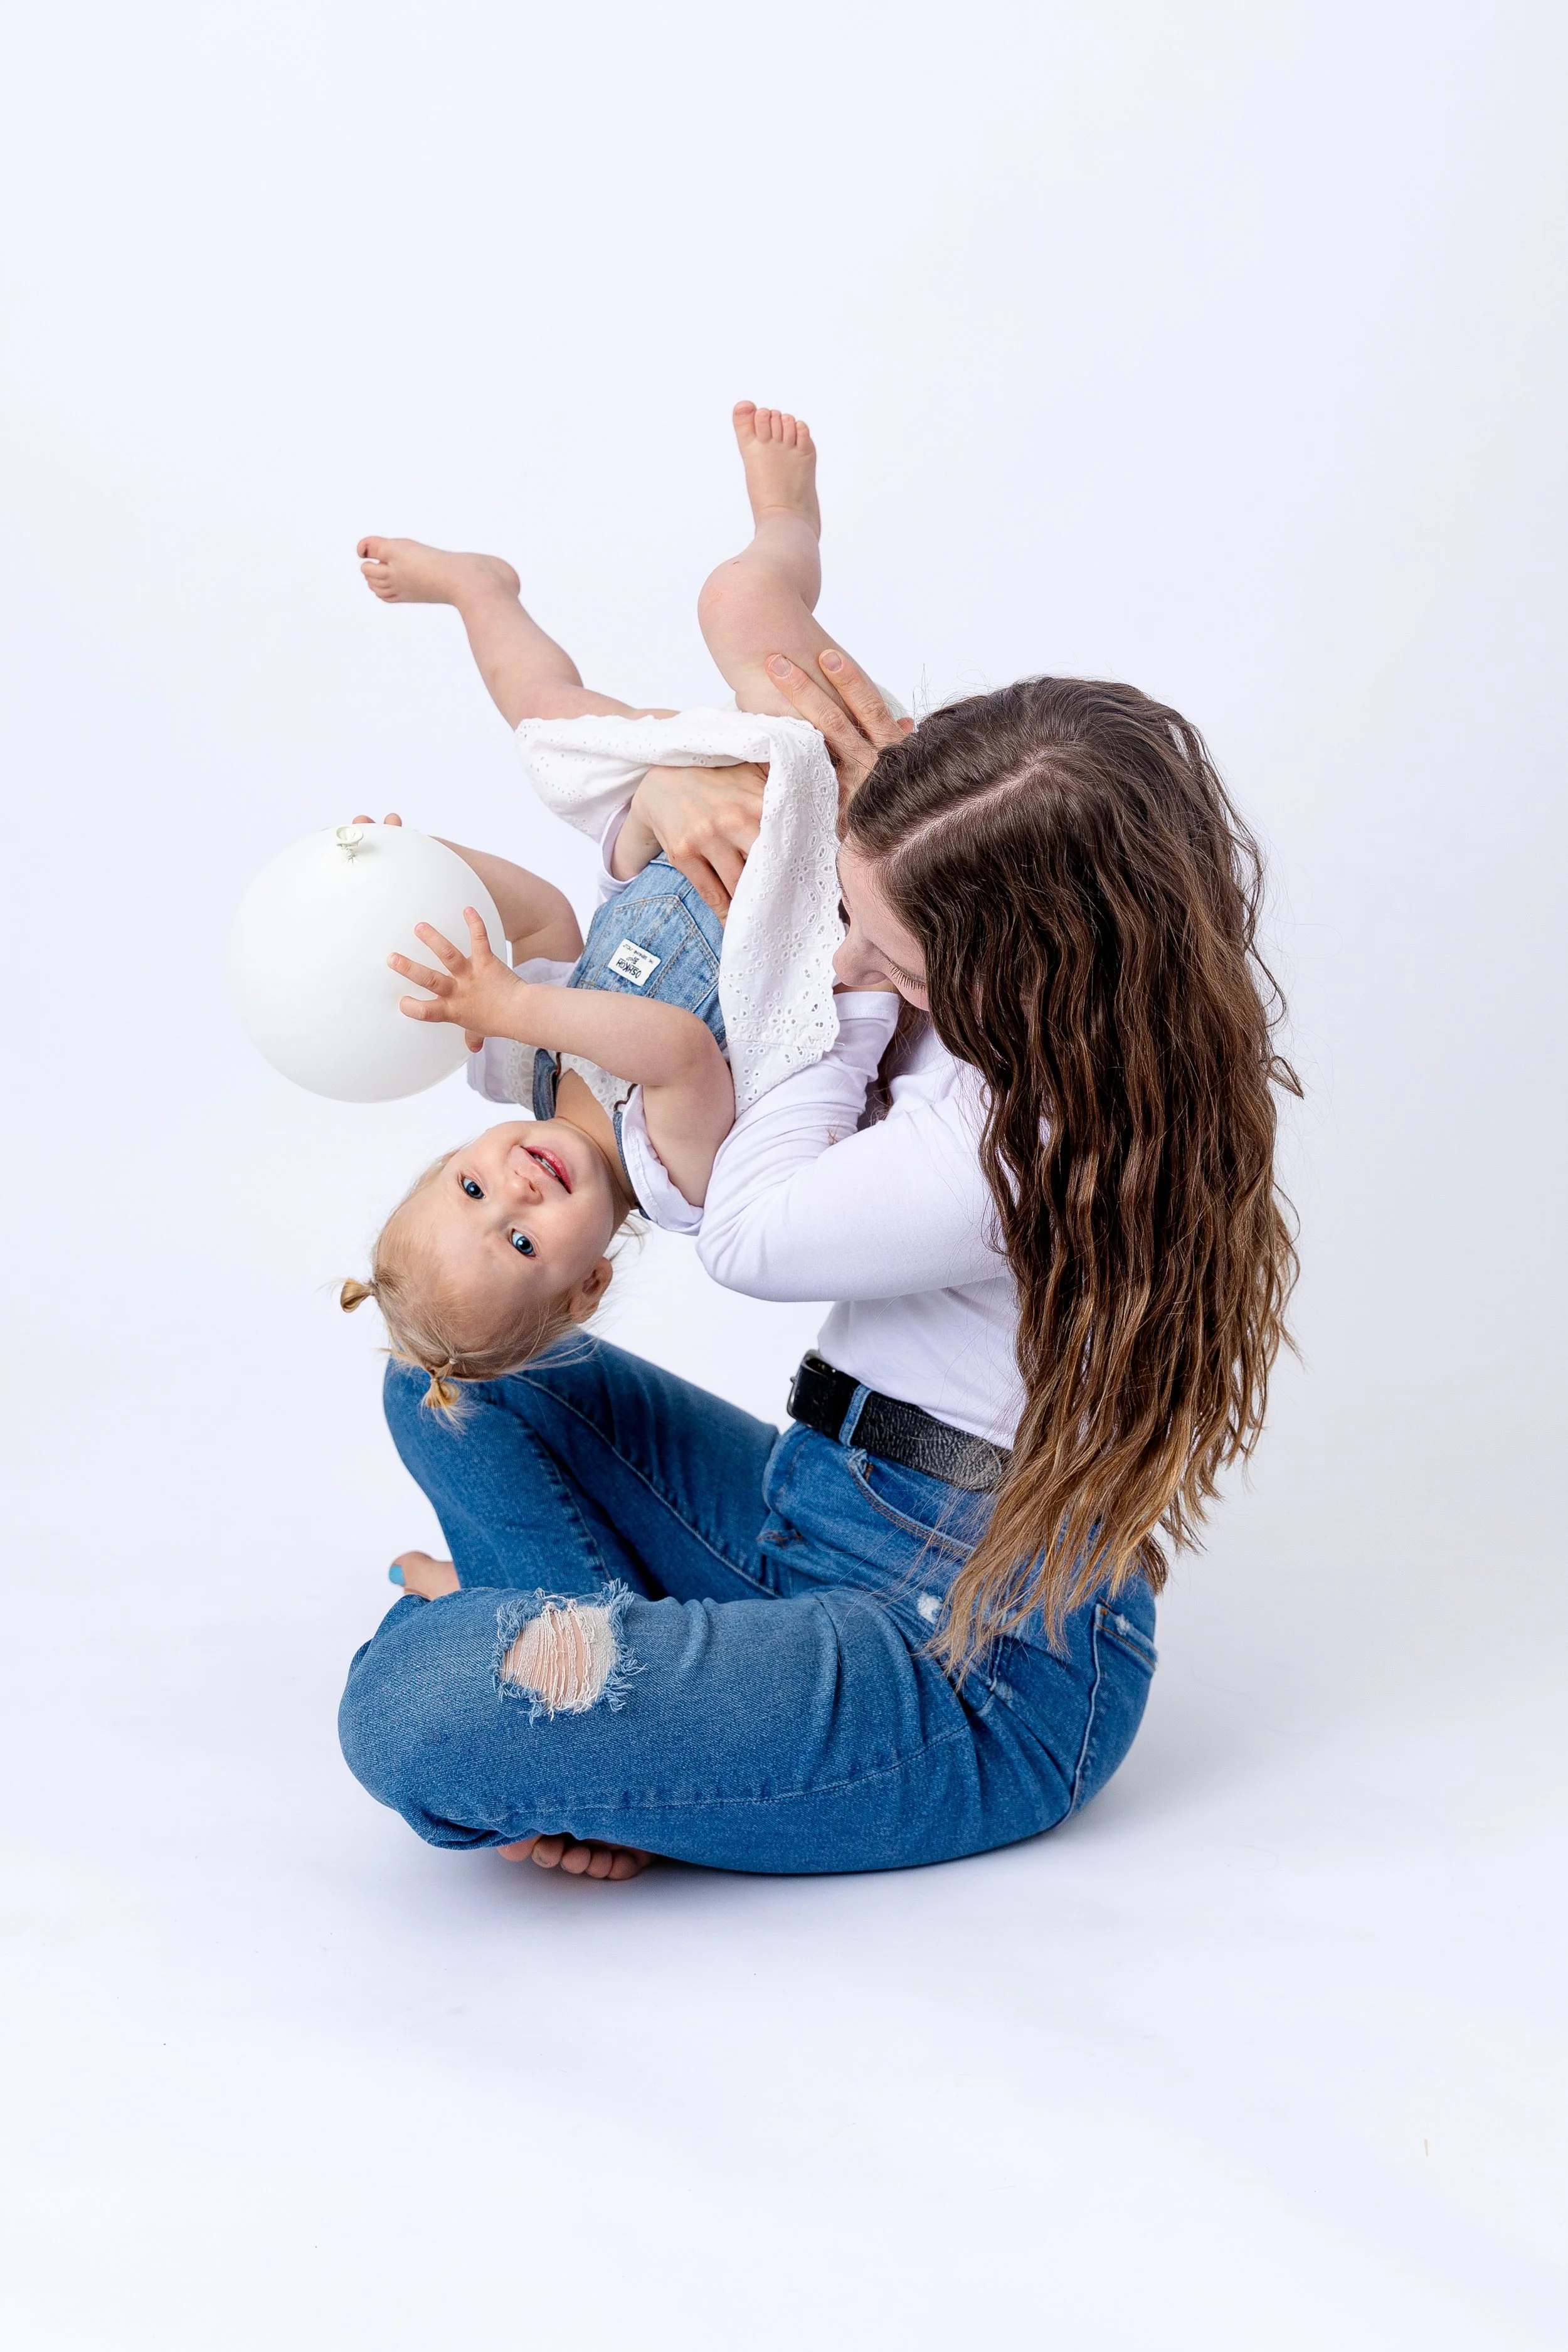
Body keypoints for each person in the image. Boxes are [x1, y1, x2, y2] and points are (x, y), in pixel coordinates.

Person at [338, 483, 1299, 1889]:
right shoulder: (968, 861)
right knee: (457, 1366)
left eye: (889, 958)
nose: (851, 962)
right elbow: (775, 687)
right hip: (822, 1514)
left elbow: (749, 1232)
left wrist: (820, 979)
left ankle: (572, 1699)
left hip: (964, 1664)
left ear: (1015, 975)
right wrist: (673, 783)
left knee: (407, 1710)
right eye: (851, 923)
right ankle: (615, 1715)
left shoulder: (1020, 1142)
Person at [341, 403, 899, 1401]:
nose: (513, 1189)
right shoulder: (678, 1180)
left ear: (449, 1159)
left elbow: (546, 914)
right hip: (827, 852)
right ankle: (789, 523)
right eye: (519, 1241)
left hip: (684, 810)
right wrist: (508, 1002)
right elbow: (677, 1052)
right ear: (587, 1284)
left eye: (470, 1185)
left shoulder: (522, 1076)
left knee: (546, 717)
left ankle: (481, 588)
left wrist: (428, 860)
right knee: (741, 604)